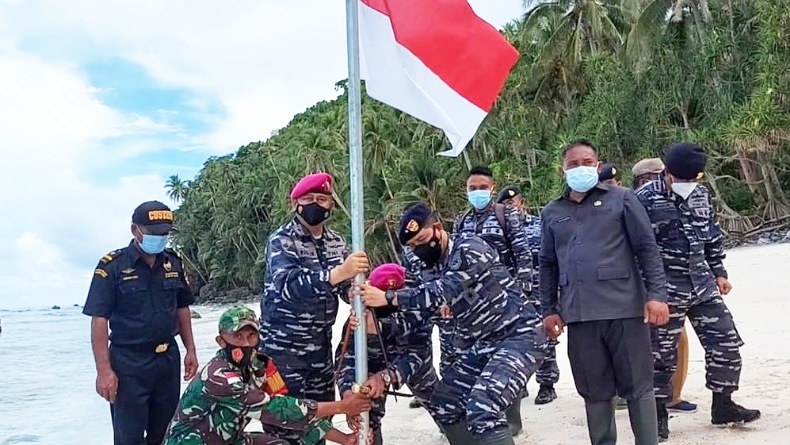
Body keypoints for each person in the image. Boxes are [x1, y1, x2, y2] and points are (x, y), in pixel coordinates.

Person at [360, 203, 546, 445]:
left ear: (437, 229)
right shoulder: (430, 268)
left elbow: (441, 290)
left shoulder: (469, 247)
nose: (419, 249)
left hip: (519, 336)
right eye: (413, 246)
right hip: (483, 344)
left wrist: (388, 297)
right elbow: (423, 313)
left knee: (484, 407)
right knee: (445, 403)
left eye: (422, 240)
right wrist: (377, 327)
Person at [539, 139, 670, 445]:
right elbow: (547, 264)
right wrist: (549, 309)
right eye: (573, 164)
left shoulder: (621, 199)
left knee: (638, 386)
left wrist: (657, 296)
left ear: (597, 166)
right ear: (563, 170)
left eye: (587, 163)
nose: (580, 169)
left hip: (624, 309)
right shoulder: (552, 212)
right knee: (593, 389)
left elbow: (647, 249)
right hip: (580, 315)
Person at [635, 143, 761, 441]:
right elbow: (635, 248)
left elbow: (711, 236)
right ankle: (659, 415)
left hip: (702, 284)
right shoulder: (643, 201)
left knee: (726, 343)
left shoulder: (701, 195)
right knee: (661, 356)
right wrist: (648, 293)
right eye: (683, 180)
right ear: (667, 173)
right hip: (664, 290)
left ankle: (723, 405)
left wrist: (719, 272)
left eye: (694, 180)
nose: (689, 186)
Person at [260, 172, 369, 443]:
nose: (315, 204)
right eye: (308, 199)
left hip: (320, 347)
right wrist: (336, 274)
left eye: (322, 199)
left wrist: (355, 297)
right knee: (285, 423)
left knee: (320, 420)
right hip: (282, 350)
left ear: (331, 204)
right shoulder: (282, 241)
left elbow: (344, 286)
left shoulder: (337, 242)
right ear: (295, 203)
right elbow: (288, 285)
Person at [164, 306, 372, 445]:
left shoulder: (261, 366)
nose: (245, 343)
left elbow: (286, 406)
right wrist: (342, 407)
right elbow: (270, 408)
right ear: (221, 341)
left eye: (251, 335)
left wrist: (345, 439)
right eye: (237, 336)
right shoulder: (218, 376)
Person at [83, 200, 199, 445]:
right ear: (135, 230)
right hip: (128, 363)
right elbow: (99, 318)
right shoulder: (112, 267)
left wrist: (191, 349)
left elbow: (182, 307)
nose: (160, 239)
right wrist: (104, 371)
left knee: (166, 432)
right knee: (129, 437)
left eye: (165, 234)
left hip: (167, 360)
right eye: (154, 233)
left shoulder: (173, 263)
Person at [453, 167, 534, 432]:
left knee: (505, 360)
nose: (477, 192)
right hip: (473, 303)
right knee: (479, 357)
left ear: (492, 187)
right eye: (472, 188)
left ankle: (512, 421)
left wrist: (523, 290)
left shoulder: (505, 214)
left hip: (504, 299)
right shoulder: (461, 222)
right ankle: (481, 418)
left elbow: (522, 252)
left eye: (482, 187)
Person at [336, 263, 438, 445]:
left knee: (445, 405)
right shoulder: (361, 313)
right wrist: (347, 393)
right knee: (363, 410)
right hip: (374, 362)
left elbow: (419, 354)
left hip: (412, 366)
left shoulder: (415, 304)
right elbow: (346, 358)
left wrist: (385, 377)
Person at [630, 157, 697, 414]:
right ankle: (637, 399)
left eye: (661, 174)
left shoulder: (681, 199)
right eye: (650, 177)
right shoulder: (633, 204)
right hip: (637, 287)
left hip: (671, 288)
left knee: (675, 340)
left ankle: (673, 397)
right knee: (637, 346)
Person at [497, 185, 559, 406]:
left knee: (543, 336)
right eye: (505, 206)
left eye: (513, 204)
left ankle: (547, 384)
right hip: (509, 294)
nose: (510, 208)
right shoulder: (500, 228)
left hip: (536, 290)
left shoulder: (538, 226)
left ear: (522, 203)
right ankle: (519, 384)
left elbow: (549, 259)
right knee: (513, 339)